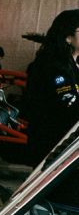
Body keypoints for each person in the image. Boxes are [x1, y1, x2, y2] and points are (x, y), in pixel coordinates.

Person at [25, 9, 79, 164]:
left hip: (65, 145)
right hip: (52, 148)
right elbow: (69, 104)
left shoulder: (71, 63)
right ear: (68, 37)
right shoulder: (53, 66)